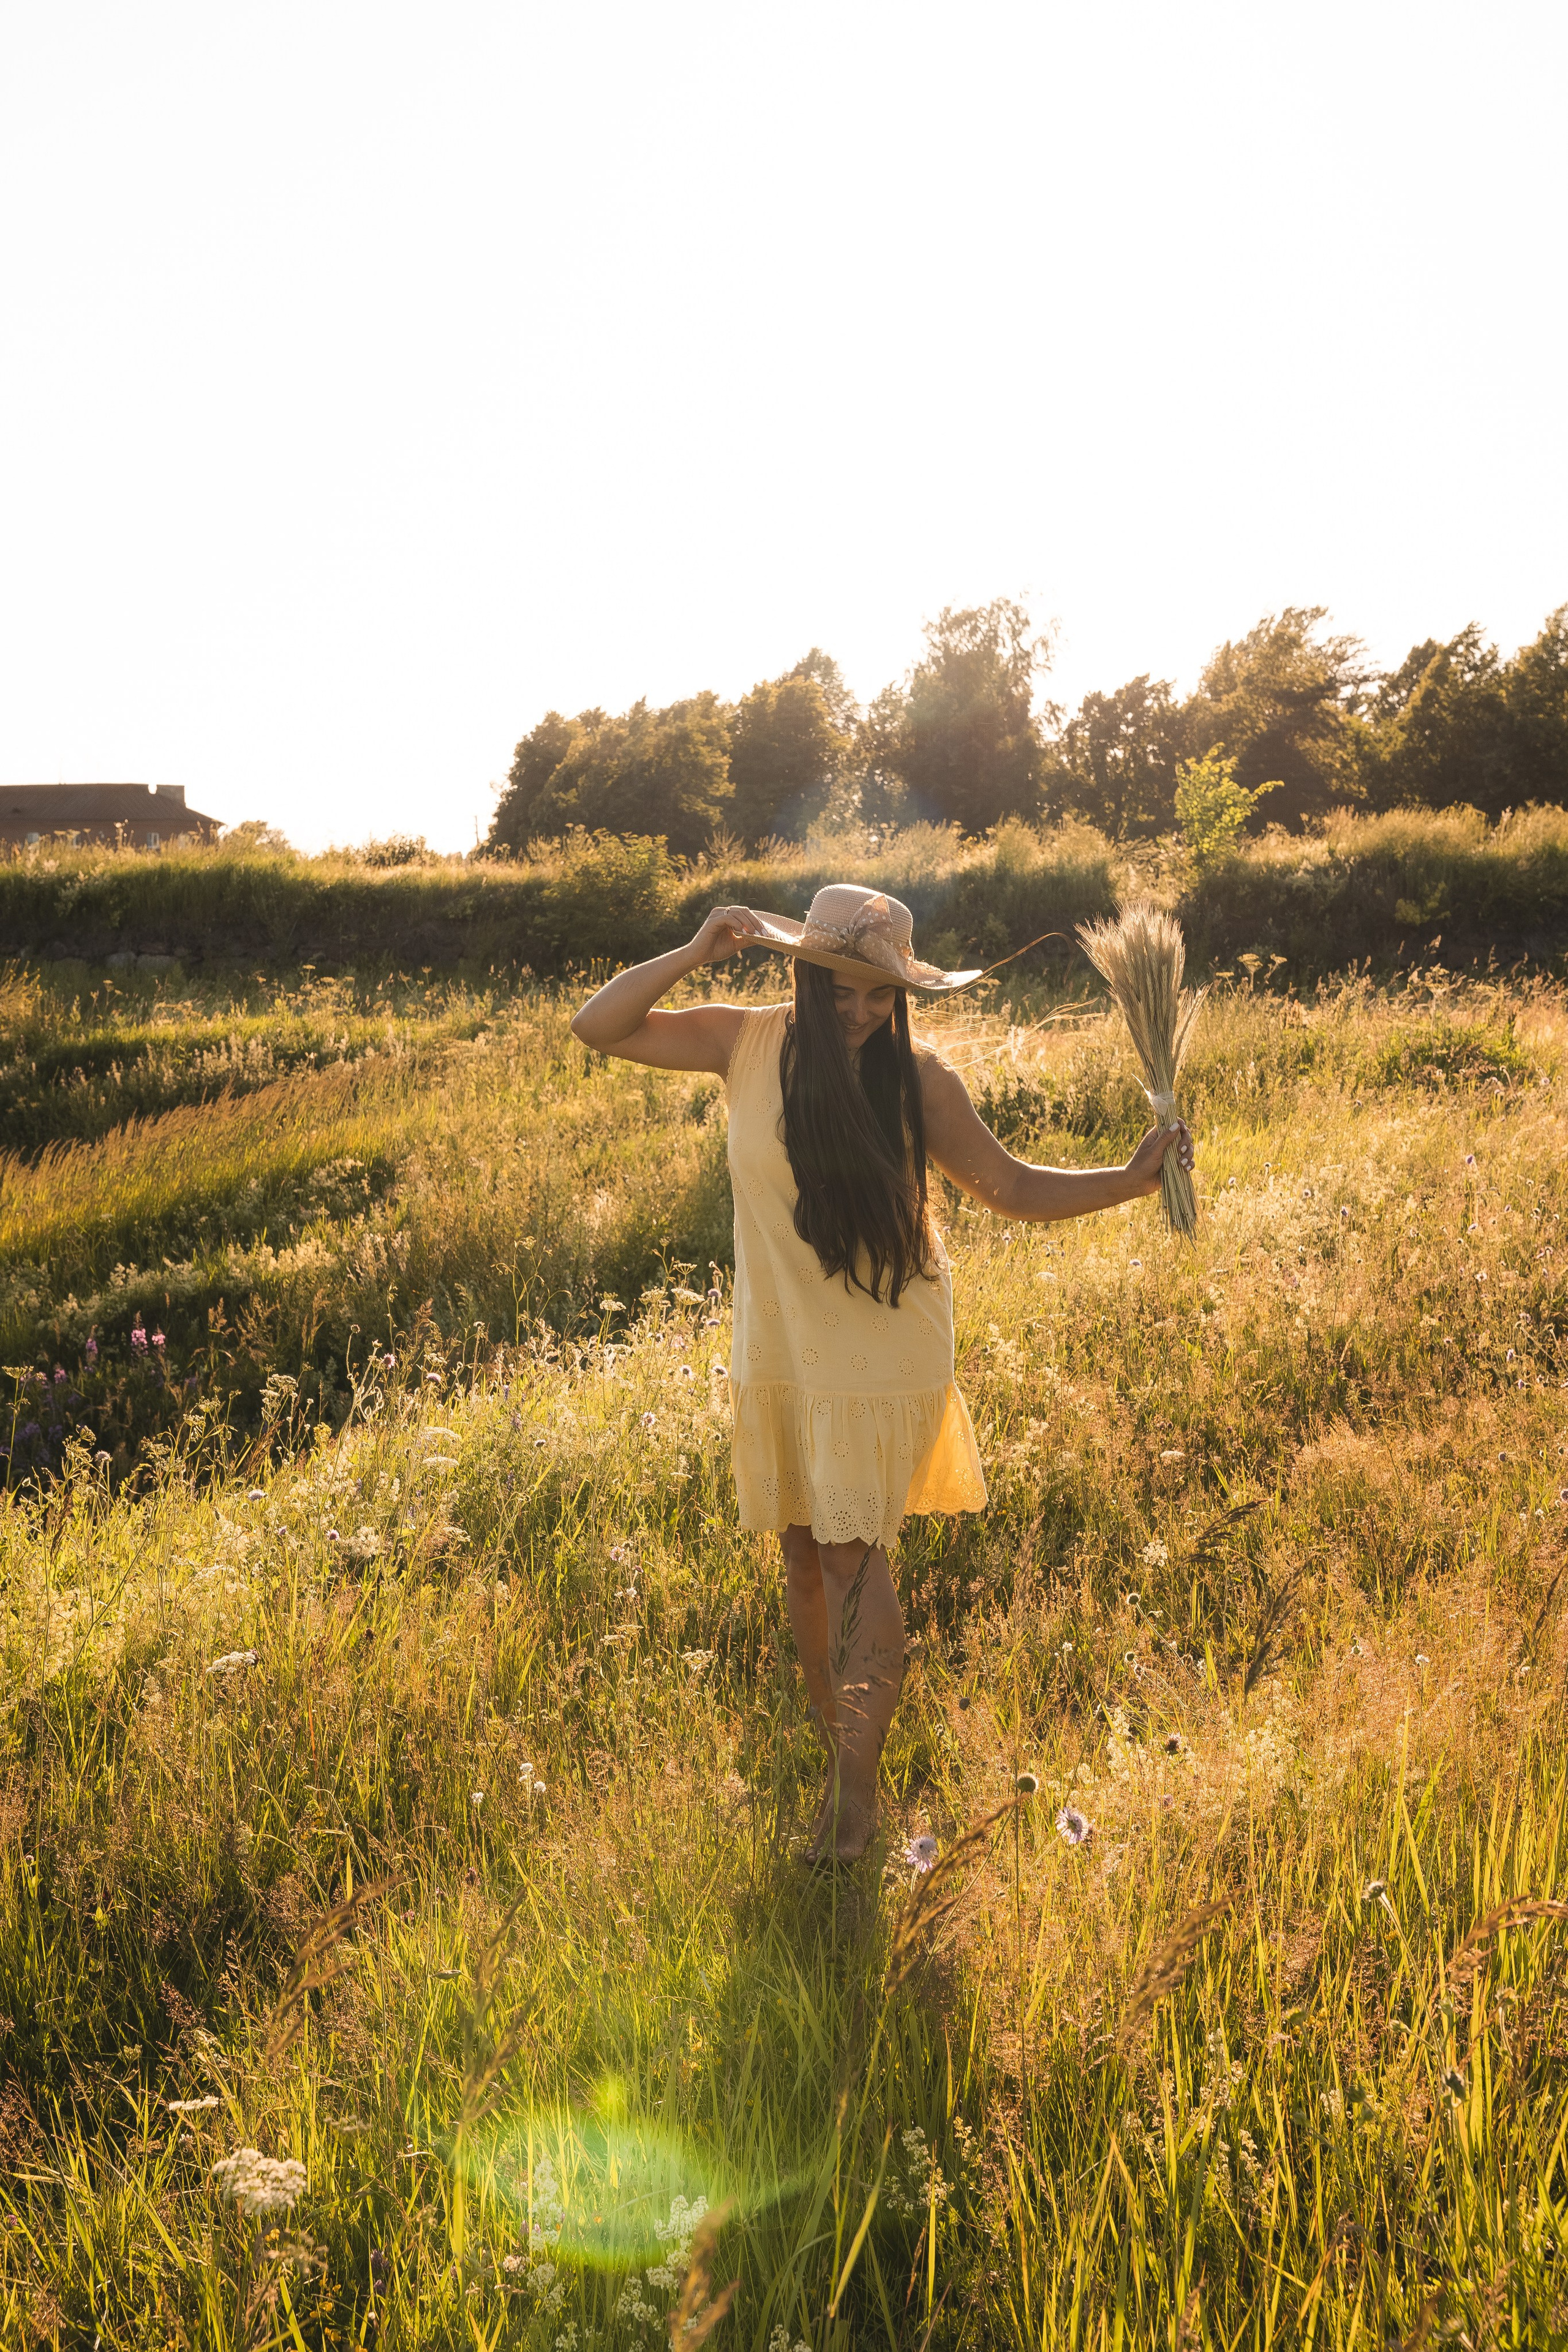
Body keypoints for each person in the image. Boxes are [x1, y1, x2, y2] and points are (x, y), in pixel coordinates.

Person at [570, 885, 1194, 1864]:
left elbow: (1013, 1187)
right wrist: (696, 949)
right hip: (779, 1349)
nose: (863, 1011)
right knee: (805, 1561)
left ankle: (854, 1805)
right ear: (806, 974)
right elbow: (598, 1026)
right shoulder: (745, 1042)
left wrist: (1128, 1178)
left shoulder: (920, 1079)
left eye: (883, 993)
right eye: (844, 989)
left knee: (855, 1566)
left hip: (880, 1352)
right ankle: (840, 1752)